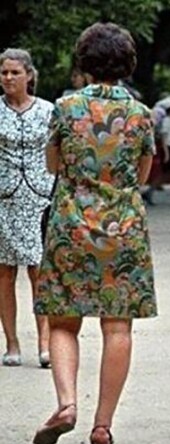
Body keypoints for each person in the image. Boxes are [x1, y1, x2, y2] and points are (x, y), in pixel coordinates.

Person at [32, 22, 157, 444]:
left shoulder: (65, 108)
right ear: (127, 64)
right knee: (117, 326)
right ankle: (102, 425)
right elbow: (141, 175)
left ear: (83, 62)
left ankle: (67, 404)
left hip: (72, 224)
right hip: (122, 228)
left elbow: (52, 165)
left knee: (64, 320)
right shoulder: (141, 115)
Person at [0, 48, 54, 368]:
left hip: (39, 198)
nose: (8, 78)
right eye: (4, 72)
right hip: (3, 198)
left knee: (39, 271)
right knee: (5, 273)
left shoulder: (48, 111)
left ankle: (45, 344)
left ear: (29, 75)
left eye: (14, 73)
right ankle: (12, 343)